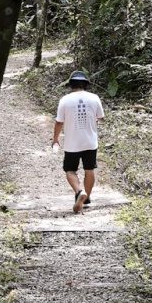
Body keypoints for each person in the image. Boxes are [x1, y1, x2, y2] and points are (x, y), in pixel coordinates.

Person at [52, 69, 105, 214]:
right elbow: (101, 118)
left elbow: (59, 122)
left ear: (71, 85)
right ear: (85, 84)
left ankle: (78, 191)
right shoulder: (94, 98)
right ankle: (86, 198)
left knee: (70, 170)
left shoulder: (65, 100)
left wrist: (55, 138)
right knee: (89, 170)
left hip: (72, 142)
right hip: (90, 141)